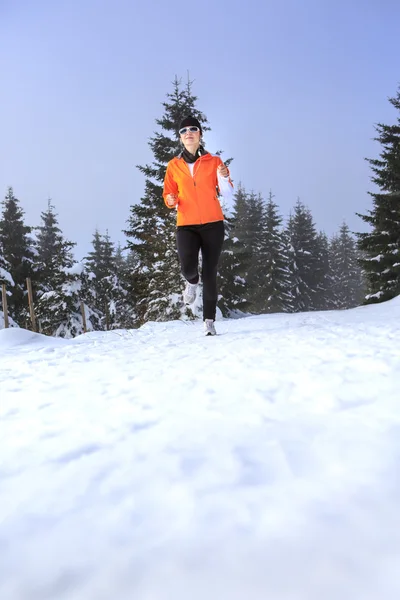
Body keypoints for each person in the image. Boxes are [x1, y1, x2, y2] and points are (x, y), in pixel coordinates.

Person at [163, 116, 233, 336]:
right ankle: (191, 281)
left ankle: (209, 321)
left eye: (193, 129)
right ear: (180, 138)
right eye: (184, 131)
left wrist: (224, 177)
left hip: (213, 223)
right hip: (186, 224)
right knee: (188, 268)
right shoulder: (174, 166)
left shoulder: (213, 161)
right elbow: (168, 193)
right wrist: (171, 201)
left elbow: (228, 191)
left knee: (210, 272)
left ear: (200, 134)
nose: (189, 133)